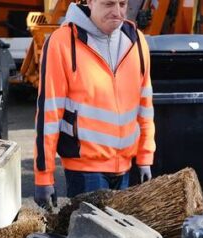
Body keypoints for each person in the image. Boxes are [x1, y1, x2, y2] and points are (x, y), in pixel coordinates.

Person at [33, 0, 155, 209]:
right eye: (109, 4)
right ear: (90, 2)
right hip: (85, 171)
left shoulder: (137, 42)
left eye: (122, 4)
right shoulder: (62, 43)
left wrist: (145, 156)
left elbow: (145, 105)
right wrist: (44, 176)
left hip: (126, 168)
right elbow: (49, 114)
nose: (117, 12)